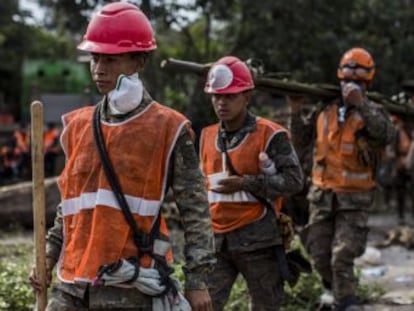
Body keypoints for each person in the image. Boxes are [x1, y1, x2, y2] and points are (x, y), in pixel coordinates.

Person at [29, 3, 215, 311]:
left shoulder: (169, 128)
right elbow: (71, 206)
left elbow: (195, 210)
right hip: (72, 284)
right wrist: (47, 256)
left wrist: (197, 282)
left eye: (111, 58)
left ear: (139, 60)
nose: (99, 68)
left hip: (130, 284)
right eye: (95, 57)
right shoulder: (77, 125)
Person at [289, 47, 395, 311]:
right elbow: (301, 141)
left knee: (342, 256)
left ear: (366, 81)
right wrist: (295, 110)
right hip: (322, 196)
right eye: (347, 80)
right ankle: (334, 292)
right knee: (318, 253)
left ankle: (346, 303)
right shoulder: (324, 108)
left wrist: (361, 104)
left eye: (357, 81)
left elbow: (386, 135)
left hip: (354, 198)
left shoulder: (373, 110)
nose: (350, 85)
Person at [199, 56, 304, 311]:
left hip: (258, 242)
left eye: (230, 96)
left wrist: (245, 183)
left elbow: (294, 181)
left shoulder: (271, 134)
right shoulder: (206, 135)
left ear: (247, 96)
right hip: (217, 242)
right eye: (216, 96)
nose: (221, 103)